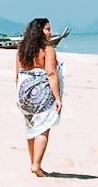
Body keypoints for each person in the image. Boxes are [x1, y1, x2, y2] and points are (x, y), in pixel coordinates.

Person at [14, 16, 66, 176]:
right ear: (39, 31)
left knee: (31, 126)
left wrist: (18, 97)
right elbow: (51, 73)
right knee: (43, 127)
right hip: (40, 93)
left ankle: (34, 163)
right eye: (47, 29)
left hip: (23, 92)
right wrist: (57, 98)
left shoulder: (21, 50)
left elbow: (18, 75)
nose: (50, 32)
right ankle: (36, 165)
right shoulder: (47, 50)